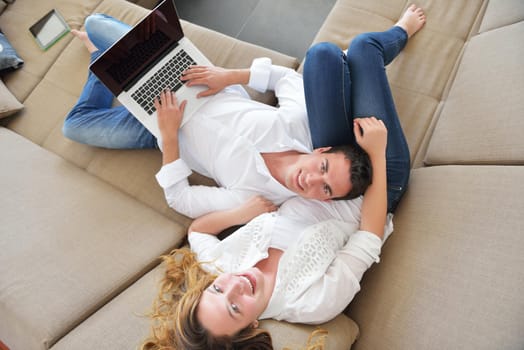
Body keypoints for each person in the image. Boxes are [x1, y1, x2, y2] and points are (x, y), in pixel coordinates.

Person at [140, 5, 426, 350]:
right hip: (377, 185)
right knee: (366, 49)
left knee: (326, 55)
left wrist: (241, 215)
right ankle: (398, 34)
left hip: (328, 165)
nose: (235, 286)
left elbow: (197, 230)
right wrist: (377, 154)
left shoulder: (223, 266)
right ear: (251, 328)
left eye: (217, 290)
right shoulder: (311, 305)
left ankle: (360, 59)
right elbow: (368, 237)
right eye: (234, 308)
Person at [63, 13, 376, 220]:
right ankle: (105, 65)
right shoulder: (297, 127)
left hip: (157, 128)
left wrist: (169, 137)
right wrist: (227, 76)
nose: (312, 180)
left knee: (74, 127)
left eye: (326, 189)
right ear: (321, 152)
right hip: (197, 83)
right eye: (323, 168)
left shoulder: (255, 199)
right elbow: (285, 79)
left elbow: (181, 200)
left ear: (324, 201)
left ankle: (100, 64)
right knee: (95, 23)